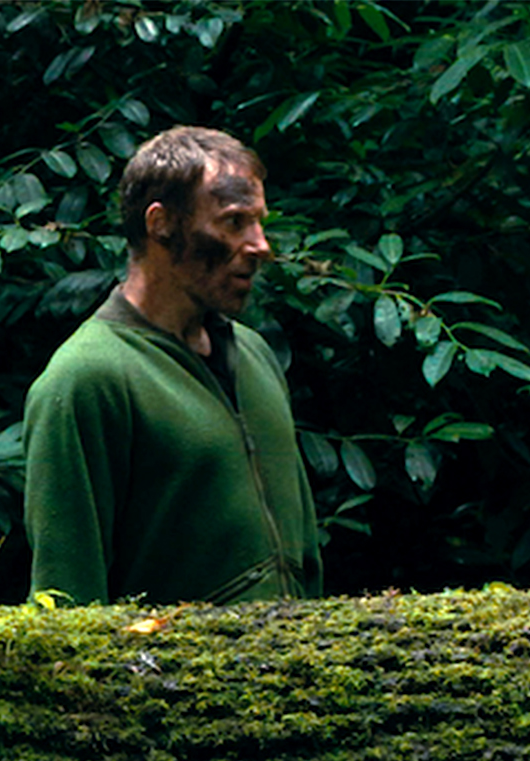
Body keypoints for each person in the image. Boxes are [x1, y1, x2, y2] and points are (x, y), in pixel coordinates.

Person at [22, 125, 324, 606]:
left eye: (260, 222)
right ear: (160, 223)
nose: (261, 246)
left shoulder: (253, 354)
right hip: (166, 679)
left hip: (289, 671)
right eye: (233, 222)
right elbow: (65, 598)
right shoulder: (88, 377)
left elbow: (305, 554)